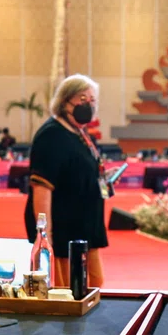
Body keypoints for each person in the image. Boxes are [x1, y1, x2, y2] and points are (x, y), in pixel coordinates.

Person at [25, 74, 109, 288]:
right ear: (65, 102)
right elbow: (42, 188)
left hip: (85, 227)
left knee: (94, 284)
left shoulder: (79, 132)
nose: (88, 104)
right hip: (64, 232)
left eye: (92, 100)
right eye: (82, 99)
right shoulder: (52, 135)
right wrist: (45, 234)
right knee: (67, 290)